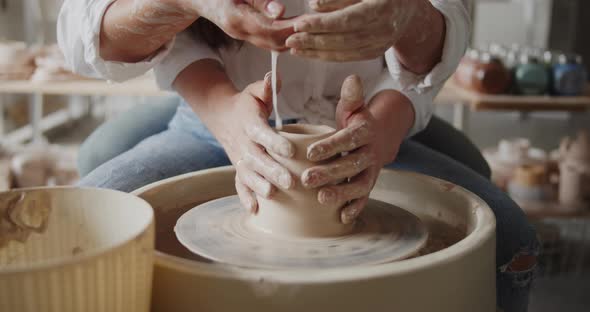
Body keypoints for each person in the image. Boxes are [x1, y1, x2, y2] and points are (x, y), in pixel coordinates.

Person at [58, 0, 538, 311]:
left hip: (372, 118)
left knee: (511, 240)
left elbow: (445, 24)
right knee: (81, 234)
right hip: (218, 111)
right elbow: (78, 28)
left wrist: (406, 18)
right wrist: (186, 3)